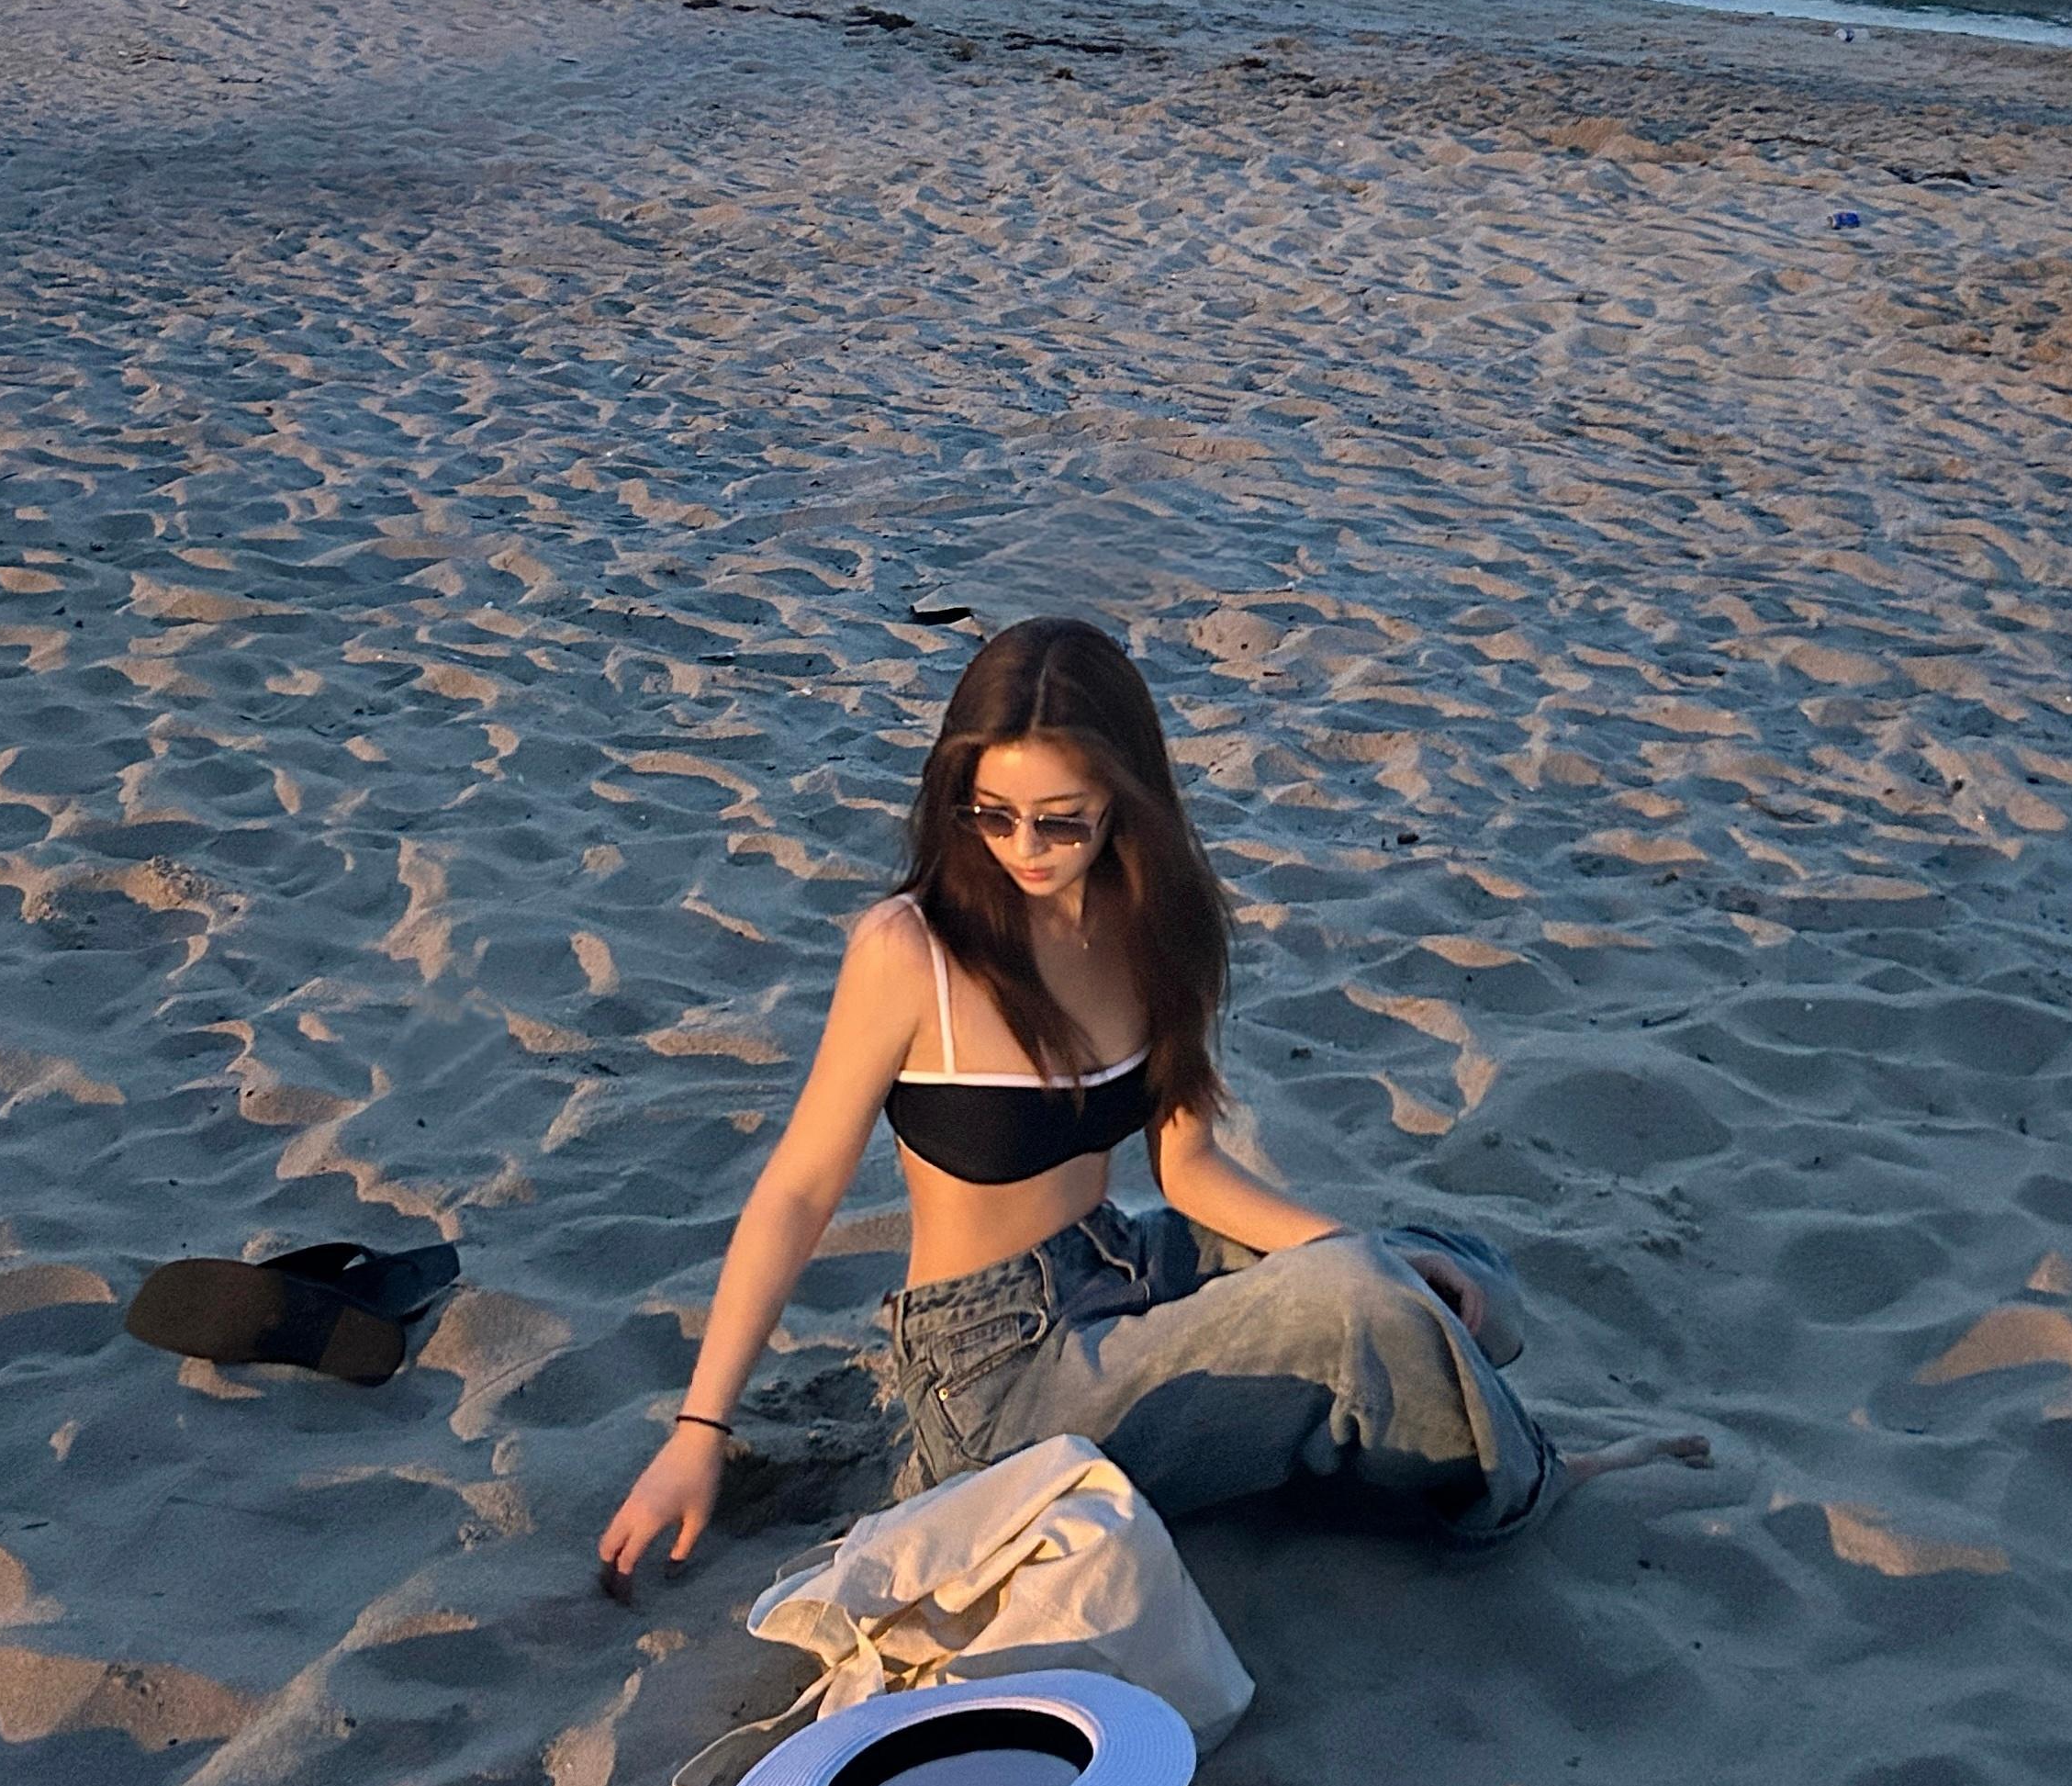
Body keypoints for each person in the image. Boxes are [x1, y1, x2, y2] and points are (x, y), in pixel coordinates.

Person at [599, 617, 1704, 1594]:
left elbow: (1191, 1172)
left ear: (1124, 800)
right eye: (992, 814)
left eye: (1061, 822)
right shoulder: (912, 950)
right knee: (1351, 1304)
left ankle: (1436, 1391)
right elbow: (799, 1188)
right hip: (996, 1380)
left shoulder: (1156, 930)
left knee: (1429, 1257)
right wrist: (700, 1430)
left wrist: (1360, 1254)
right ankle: (1525, 1480)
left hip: (1122, 1263)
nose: (1024, 850)